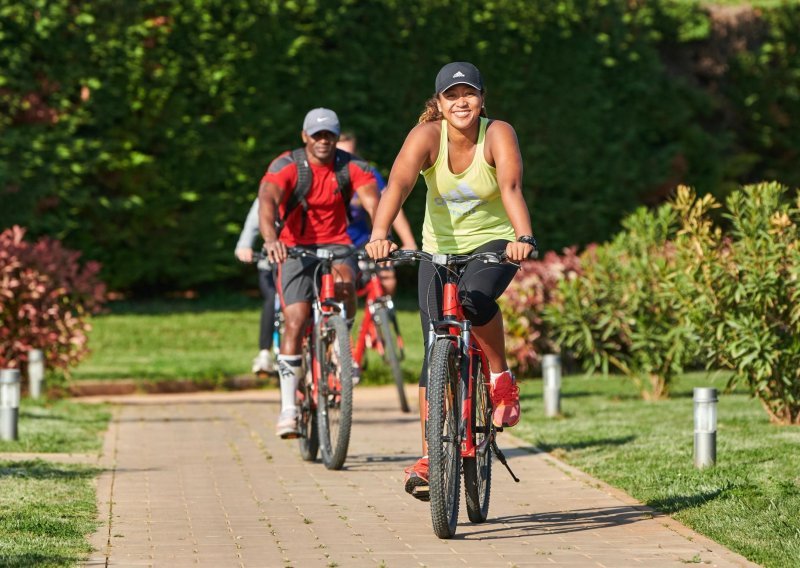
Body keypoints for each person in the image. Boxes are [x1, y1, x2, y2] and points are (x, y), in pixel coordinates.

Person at [364, 62, 537, 498]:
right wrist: (380, 235)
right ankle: (430, 455)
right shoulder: (426, 137)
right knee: (431, 356)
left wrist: (522, 237)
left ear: (482, 99)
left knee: (475, 301)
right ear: (438, 103)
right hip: (437, 252)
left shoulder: (497, 133)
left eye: (469, 94)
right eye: (451, 95)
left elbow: (512, 187)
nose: (461, 102)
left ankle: (499, 378)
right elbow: (399, 185)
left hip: (492, 245)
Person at [259, 108, 380, 438]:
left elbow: (373, 200)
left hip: (337, 244)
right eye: (317, 135)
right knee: (296, 319)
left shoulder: (350, 167)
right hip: (294, 247)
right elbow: (267, 200)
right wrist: (271, 240)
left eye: (329, 135)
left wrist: (380, 235)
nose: (323, 141)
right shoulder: (287, 166)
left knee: (345, 284)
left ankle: (342, 343)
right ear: (305, 137)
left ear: (337, 137)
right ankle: (287, 409)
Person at [336, 133, 418, 297]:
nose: (345, 160)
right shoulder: (324, 174)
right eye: (340, 154)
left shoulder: (367, 173)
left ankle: (380, 315)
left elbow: (391, 205)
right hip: (336, 241)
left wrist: (409, 241)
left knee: (387, 278)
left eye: (349, 154)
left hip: (363, 240)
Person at [235, 198, 278, 375]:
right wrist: (244, 246)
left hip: (302, 260)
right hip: (271, 264)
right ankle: (264, 353)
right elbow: (255, 220)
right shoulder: (270, 191)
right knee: (273, 298)